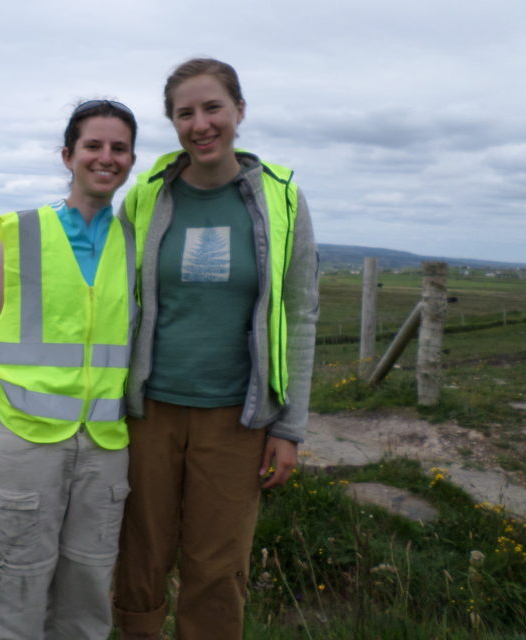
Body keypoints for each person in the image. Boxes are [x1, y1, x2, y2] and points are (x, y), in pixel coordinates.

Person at [112, 58, 319, 639]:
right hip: (145, 412)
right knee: (140, 555)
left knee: (218, 567)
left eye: (212, 108)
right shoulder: (144, 197)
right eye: (185, 113)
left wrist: (290, 428)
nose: (200, 124)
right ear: (172, 122)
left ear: (239, 112)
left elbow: (300, 314)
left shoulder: (282, 198)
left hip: (238, 417)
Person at [0, 99, 140, 640]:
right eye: (93, 146)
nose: (106, 158)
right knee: (17, 591)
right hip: (25, 445)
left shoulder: (135, 240)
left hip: (105, 448)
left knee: (87, 597)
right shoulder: (23, 231)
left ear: (130, 159)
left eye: (119, 148)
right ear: (68, 155)